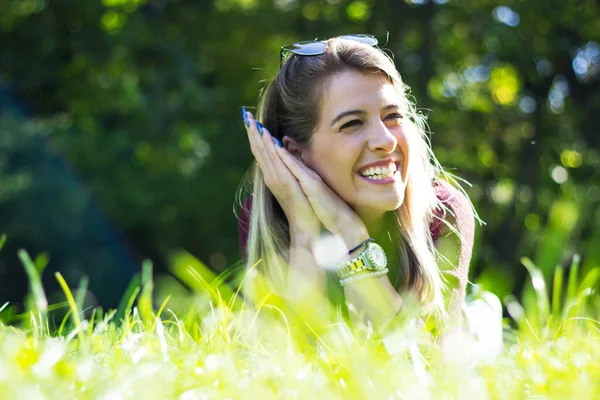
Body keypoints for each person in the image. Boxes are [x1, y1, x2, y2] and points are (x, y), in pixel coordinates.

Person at [236, 34, 476, 328]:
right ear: (295, 154)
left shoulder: (442, 211)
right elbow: (292, 361)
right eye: (352, 124)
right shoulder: (265, 216)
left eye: (392, 116)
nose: (386, 141)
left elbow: (419, 363)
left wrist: (350, 234)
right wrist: (303, 229)